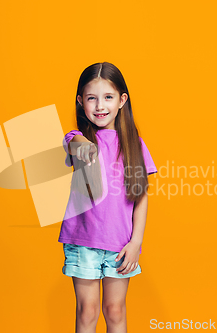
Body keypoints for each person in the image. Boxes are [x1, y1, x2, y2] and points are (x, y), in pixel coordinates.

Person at [58, 62, 157, 333]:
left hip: (120, 243)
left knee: (115, 311)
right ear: (81, 101)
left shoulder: (134, 145)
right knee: (87, 312)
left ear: (122, 100)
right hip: (83, 240)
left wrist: (136, 242)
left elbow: (141, 197)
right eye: (92, 98)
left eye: (108, 97)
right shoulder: (78, 138)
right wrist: (83, 147)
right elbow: (71, 143)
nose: (100, 106)